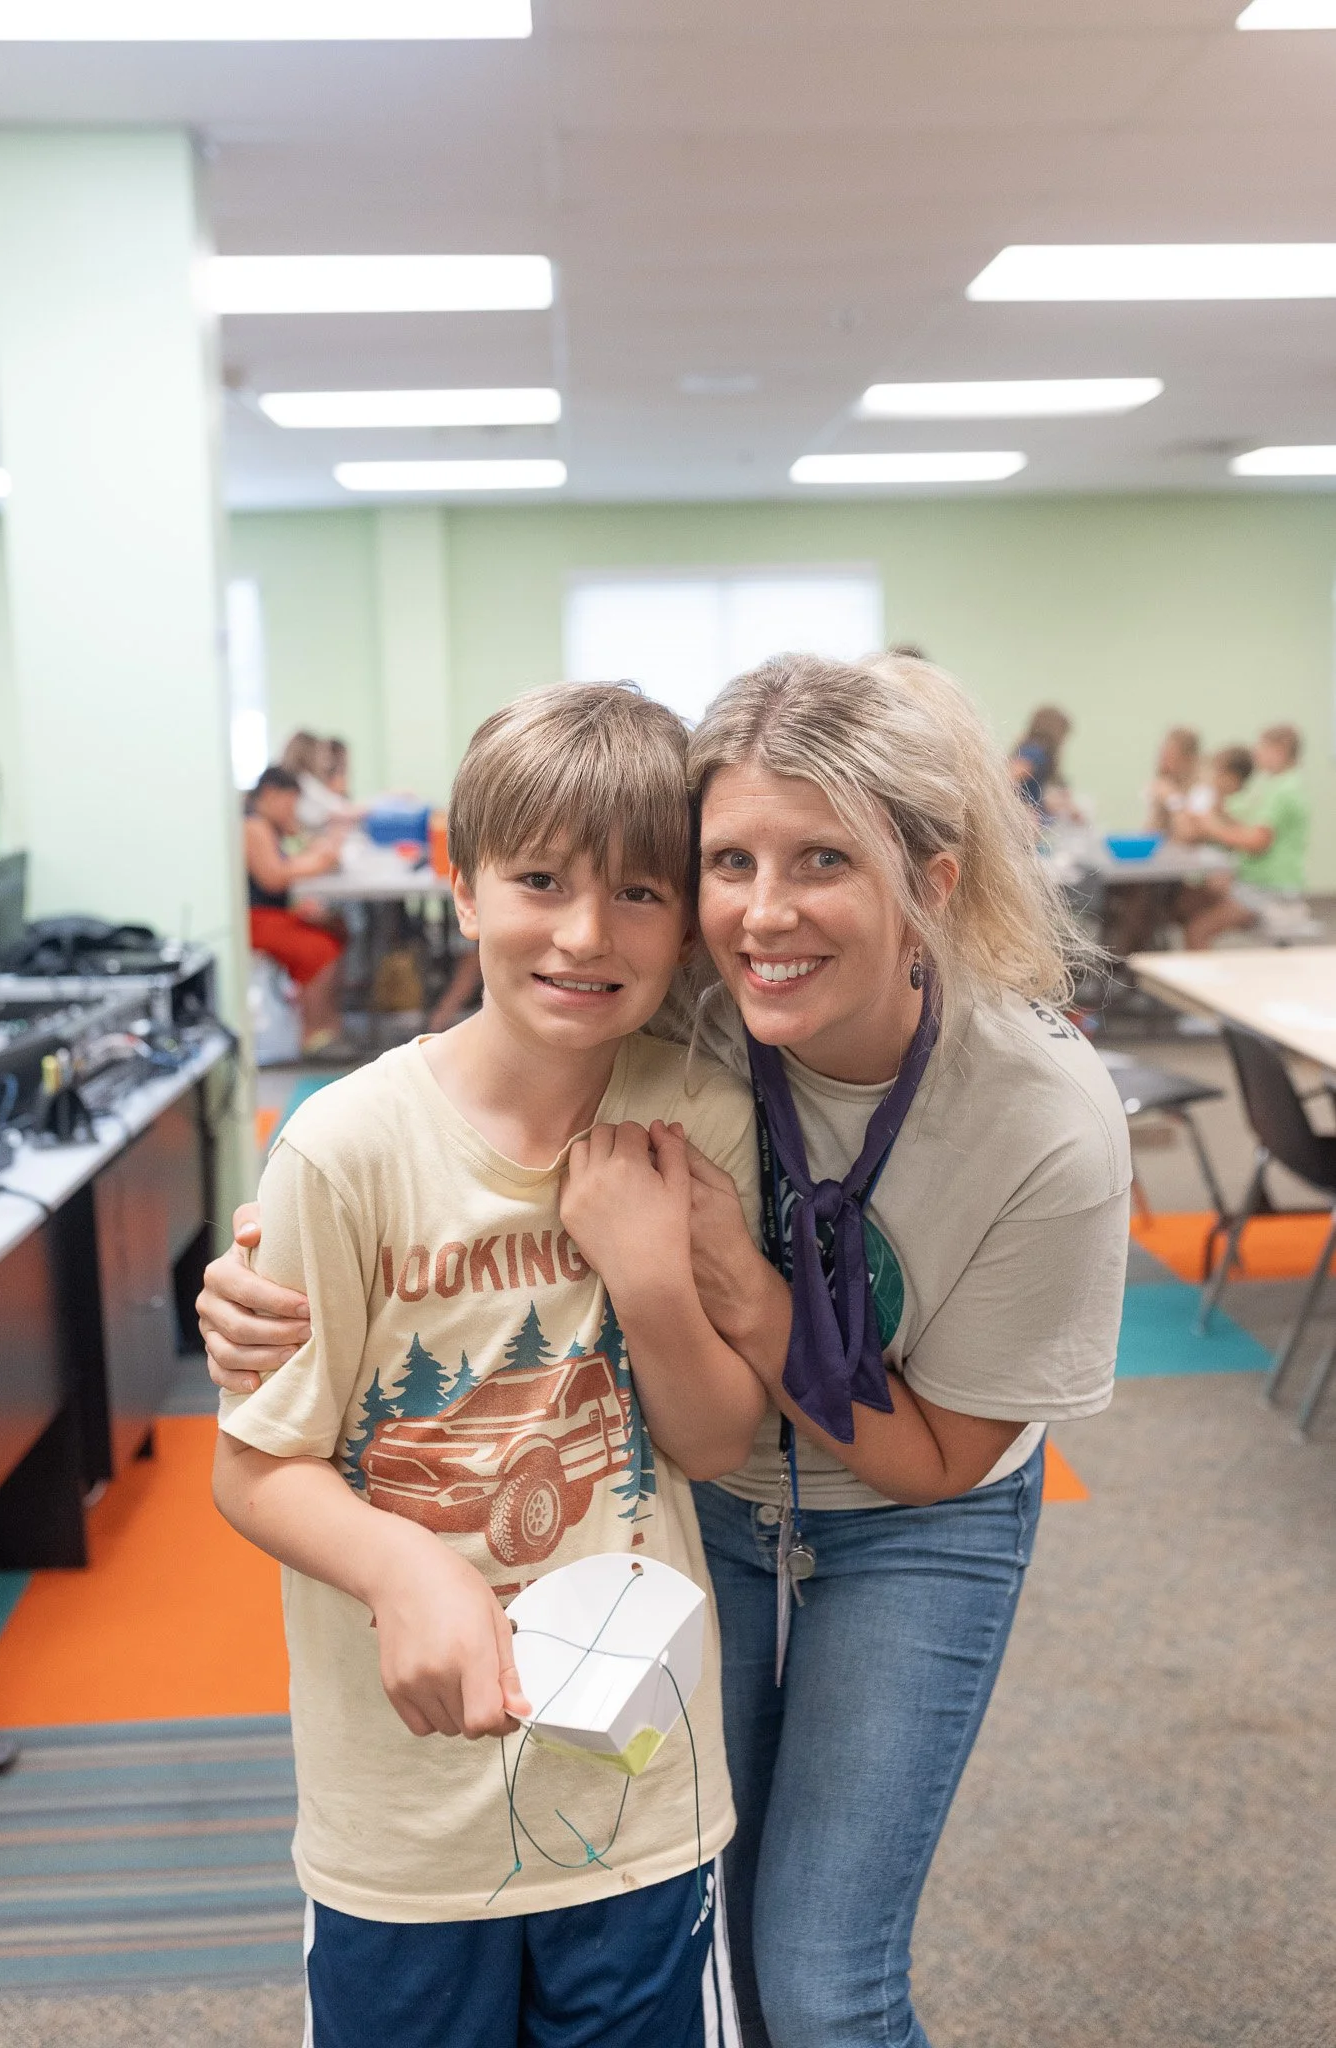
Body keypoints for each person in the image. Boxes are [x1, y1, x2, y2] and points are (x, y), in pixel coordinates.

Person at [202, 651, 1130, 2048]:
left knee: (812, 1984)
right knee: (705, 1944)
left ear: (930, 884)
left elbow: (928, 1455)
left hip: (901, 1504)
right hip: (690, 1519)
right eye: (725, 866)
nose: (762, 916)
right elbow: (461, 1089)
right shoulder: (670, 999)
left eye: (822, 862)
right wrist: (267, 1260)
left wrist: (704, 1287)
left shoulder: (1028, 1116)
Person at [216, 684, 760, 2046]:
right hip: (402, 1818)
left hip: (638, 1790)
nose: (585, 934)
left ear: (685, 920)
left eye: (640, 893)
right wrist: (407, 1565)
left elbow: (714, 1443)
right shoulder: (344, 1148)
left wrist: (646, 1279)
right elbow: (255, 1467)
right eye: (539, 882)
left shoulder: (695, 1116)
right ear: (460, 885)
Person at [245, 765, 348, 1057]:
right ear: (269, 794)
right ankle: (313, 1035)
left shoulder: (269, 825)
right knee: (318, 949)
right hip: (254, 920)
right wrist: (321, 860)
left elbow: (293, 855)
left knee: (335, 929)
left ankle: (328, 1023)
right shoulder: (253, 826)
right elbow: (273, 878)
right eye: (289, 802)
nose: (293, 810)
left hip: (271, 914)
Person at [1175, 724, 1309, 949]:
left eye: (1263, 748)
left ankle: (1203, 983)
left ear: (1282, 749)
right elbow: (1247, 826)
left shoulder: (1284, 790)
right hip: (1253, 884)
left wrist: (1211, 828)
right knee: (1185, 904)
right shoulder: (1275, 785)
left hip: (1268, 891)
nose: (1257, 754)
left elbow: (1257, 841)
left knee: (1197, 931)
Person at [1009, 705, 1073, 824]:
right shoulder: (1035, 752)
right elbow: (1007, 779)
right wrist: (1022, 811)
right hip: (1023, 822)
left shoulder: (1033, 751)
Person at [1144, 726, 1206, 837]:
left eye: (1170, 756)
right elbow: (1149, 833)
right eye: (1162, 755)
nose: (1163, 763)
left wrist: (1171, 798)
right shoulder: (1163, 785)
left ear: (1188, 759)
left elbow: (1189, 835)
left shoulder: (1203, 790)